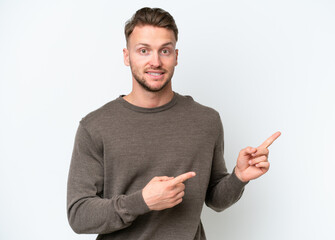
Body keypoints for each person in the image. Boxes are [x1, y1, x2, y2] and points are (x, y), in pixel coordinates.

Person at [67, 7, 281, 240]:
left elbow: (215, 200)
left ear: (176, 56)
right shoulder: (95, 126)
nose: (155, 61)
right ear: (127, 56)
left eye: (165, 51)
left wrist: (238, 178)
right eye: (143, 50)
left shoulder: (206, 121)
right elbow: (79, 215)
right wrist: (143, 201)